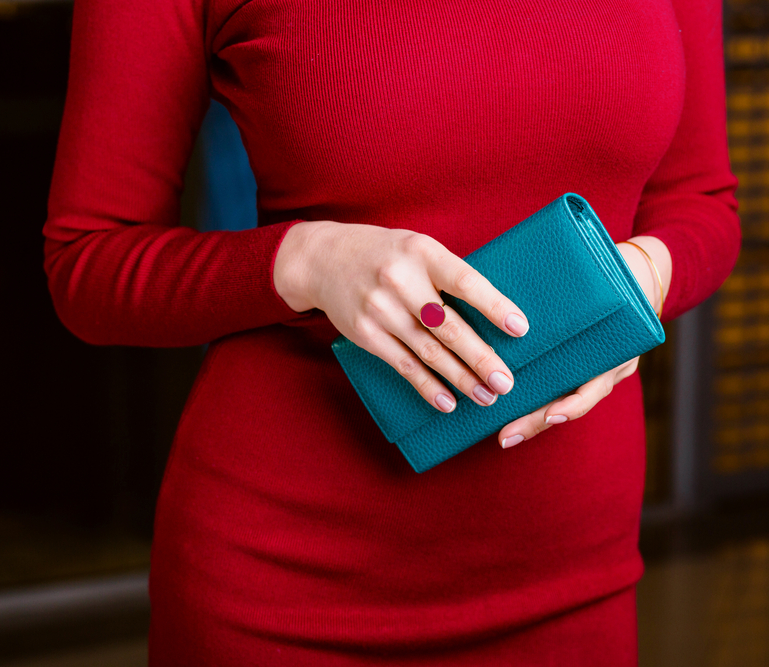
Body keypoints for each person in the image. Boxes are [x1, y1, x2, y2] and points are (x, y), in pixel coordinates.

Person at [42, 0, 740, 664]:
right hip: (290, 587)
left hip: (576, 570)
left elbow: (702, 202)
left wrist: (638, 280)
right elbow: (88, 260)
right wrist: (304, 261)